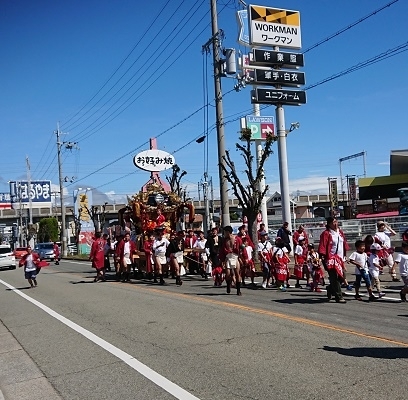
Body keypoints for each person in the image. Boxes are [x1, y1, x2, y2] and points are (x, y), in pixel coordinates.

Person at [318, 216, 349, 303]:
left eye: (336, 222)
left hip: (340, 258)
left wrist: (345, 256)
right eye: (333, 222)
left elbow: (344, 245)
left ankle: (330, 288)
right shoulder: (326, 233)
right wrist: (322, 256)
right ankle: (339, 296)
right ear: (329, 224)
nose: (335, 224)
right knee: (334, 276)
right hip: (330, 258)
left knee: (341, 277)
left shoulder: (340, 233)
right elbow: (323, 245)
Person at [219, 225, 243, 295]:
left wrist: (242, 258)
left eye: (225, 232)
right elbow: (222, 251)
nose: (224, 234)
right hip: (228, 257)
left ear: (228, 232)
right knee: (228, 274)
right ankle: (228, 285)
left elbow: (242, 249)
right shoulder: (224, 240)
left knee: (237, 273)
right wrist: (222, 260)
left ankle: (238, 290)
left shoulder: (237, 239)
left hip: (235, 256)